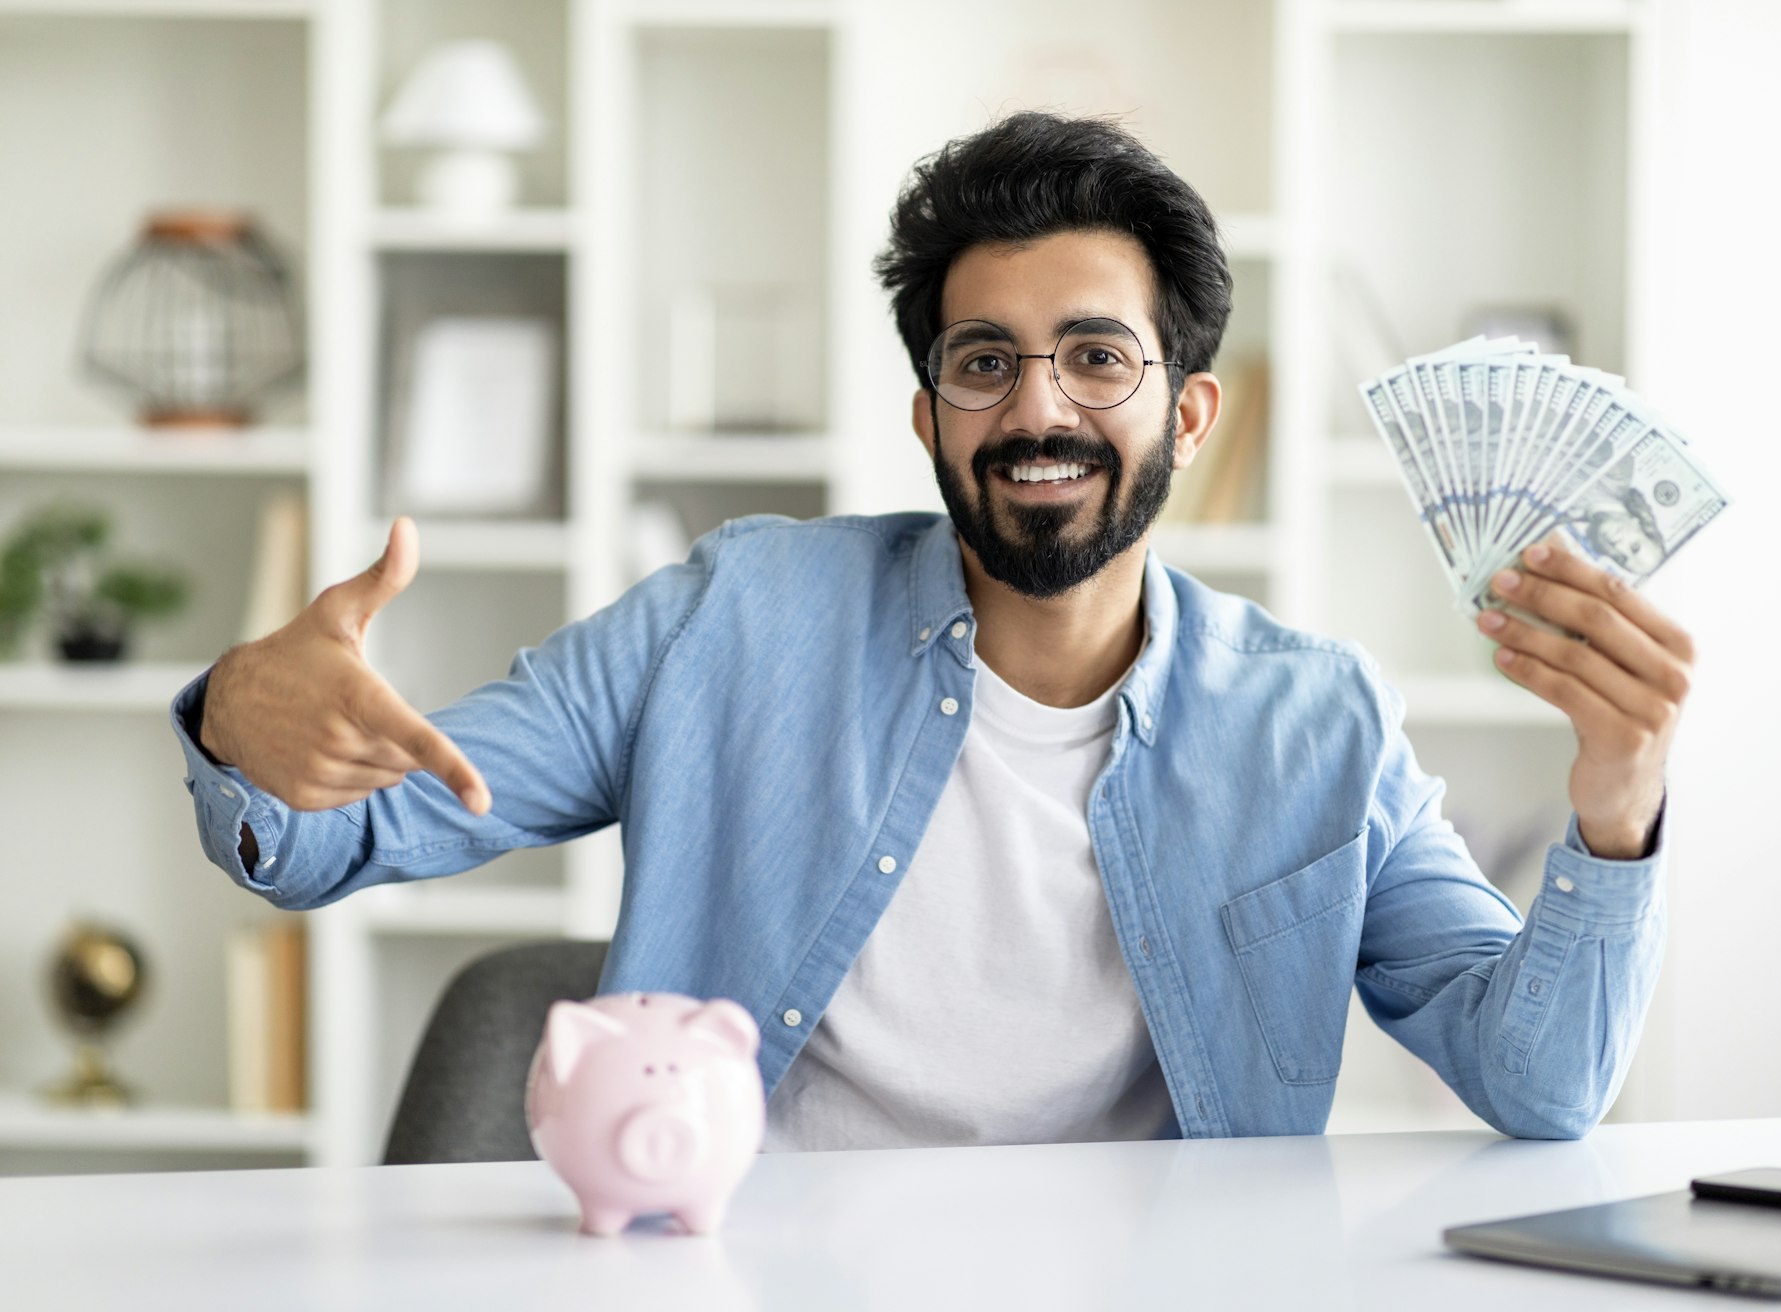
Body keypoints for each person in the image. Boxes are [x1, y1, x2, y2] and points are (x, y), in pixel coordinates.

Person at [172, 112, 1694, 1149]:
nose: (1040, 407)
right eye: (986, 361)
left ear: (1191, 410)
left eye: (1098, 357)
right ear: (929, 413)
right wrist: (246, 714)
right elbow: (334, 835)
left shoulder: (1322, 722)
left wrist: (1618, 803)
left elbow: (1540, 1081)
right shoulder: (731, 616)